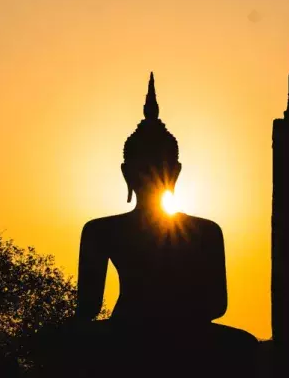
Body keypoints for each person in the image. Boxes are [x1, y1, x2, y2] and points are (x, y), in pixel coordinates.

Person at [70, 72, 257, 376]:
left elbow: (87, 309)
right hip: (181, 336)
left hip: (132, 333)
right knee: (242, 346)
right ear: (176, 172)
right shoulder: (204, 231)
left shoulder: (101, 230)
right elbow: (214, 306)